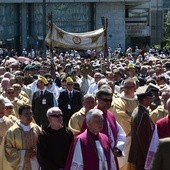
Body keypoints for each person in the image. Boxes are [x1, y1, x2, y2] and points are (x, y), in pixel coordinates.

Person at [81, 85, 126, 168]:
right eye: (105, 100)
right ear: (98, 100)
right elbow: (84, 140)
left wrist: (118, 148)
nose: (108, 103)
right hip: (97, 159)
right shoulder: (91, 117)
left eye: (110, 100)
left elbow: (120, 133)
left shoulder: (110, 115)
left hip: (111, 157)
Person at [1, 104, 41, 170]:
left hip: (35, 164)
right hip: (20, 166)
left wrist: (36, 151)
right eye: (26, 114)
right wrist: (24, 153)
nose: (29, 116)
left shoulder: (36, 128)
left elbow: (42, 144)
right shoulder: (12, 131)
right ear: (19, 116)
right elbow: (8, 150)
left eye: (30, 113)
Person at [111, 78, 138, 169]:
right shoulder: (119, 101)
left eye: (129, 87)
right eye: (125, 87)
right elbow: (119, 115)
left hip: (137, 135)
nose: (126, 89)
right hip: (127, 135)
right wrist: (136, 121)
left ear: (135, 88)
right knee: (124, 161)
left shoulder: (138, 100)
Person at [128, 86, 154, 170]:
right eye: (150, 98)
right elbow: (143, 138)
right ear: (144, 100)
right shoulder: (143, 115)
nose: (152, 100)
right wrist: (148, 156)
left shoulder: (138, 110)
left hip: (137, 154)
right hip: (141, 156)